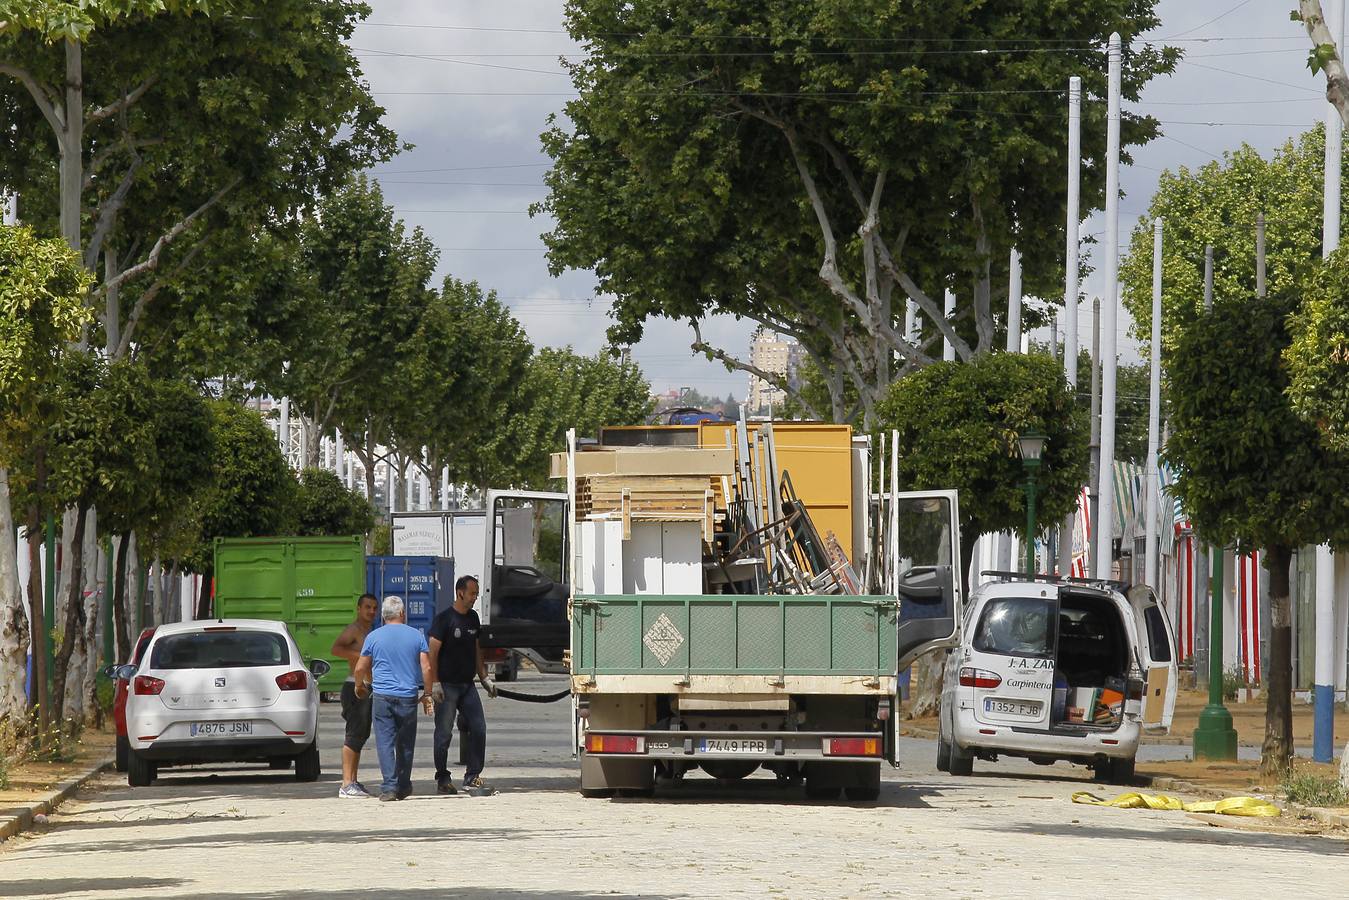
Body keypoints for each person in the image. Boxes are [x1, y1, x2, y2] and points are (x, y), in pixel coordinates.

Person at [353, 596, 434, 802]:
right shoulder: (416, 636)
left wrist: (358, 685)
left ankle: (389, 787)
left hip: (382, 697)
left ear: (383, 615)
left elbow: (361, 667)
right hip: (407, 696)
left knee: (384, 743)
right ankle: (404, 785)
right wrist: (427, 694)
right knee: (406, 744)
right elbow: (426, 667)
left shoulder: (373, 637)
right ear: (402, 614)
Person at [428, 575, 497, 796]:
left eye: (476, 593)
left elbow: (477, 649)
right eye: (472, 593)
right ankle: (443, 778)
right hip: (447, 686)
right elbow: (432, 653)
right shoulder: (444, 620)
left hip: (467, 686)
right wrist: (434, 683)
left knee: (479, 728)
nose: (475, 598)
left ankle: (472, 776)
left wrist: (484, 677)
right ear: (460, 593)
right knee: (444, 733)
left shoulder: (473, 618)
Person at [330, 593, 379, 798]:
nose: (371, 611)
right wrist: (360, 656)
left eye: (374, 608)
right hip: (354, 686)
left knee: (361, 735)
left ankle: (354, 781)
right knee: (353, 735)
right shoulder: (354, 630)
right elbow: (336, 649)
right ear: (359, 609)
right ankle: (346, 783)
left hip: (368, 686)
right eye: (367, 607)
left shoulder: (371, 631)